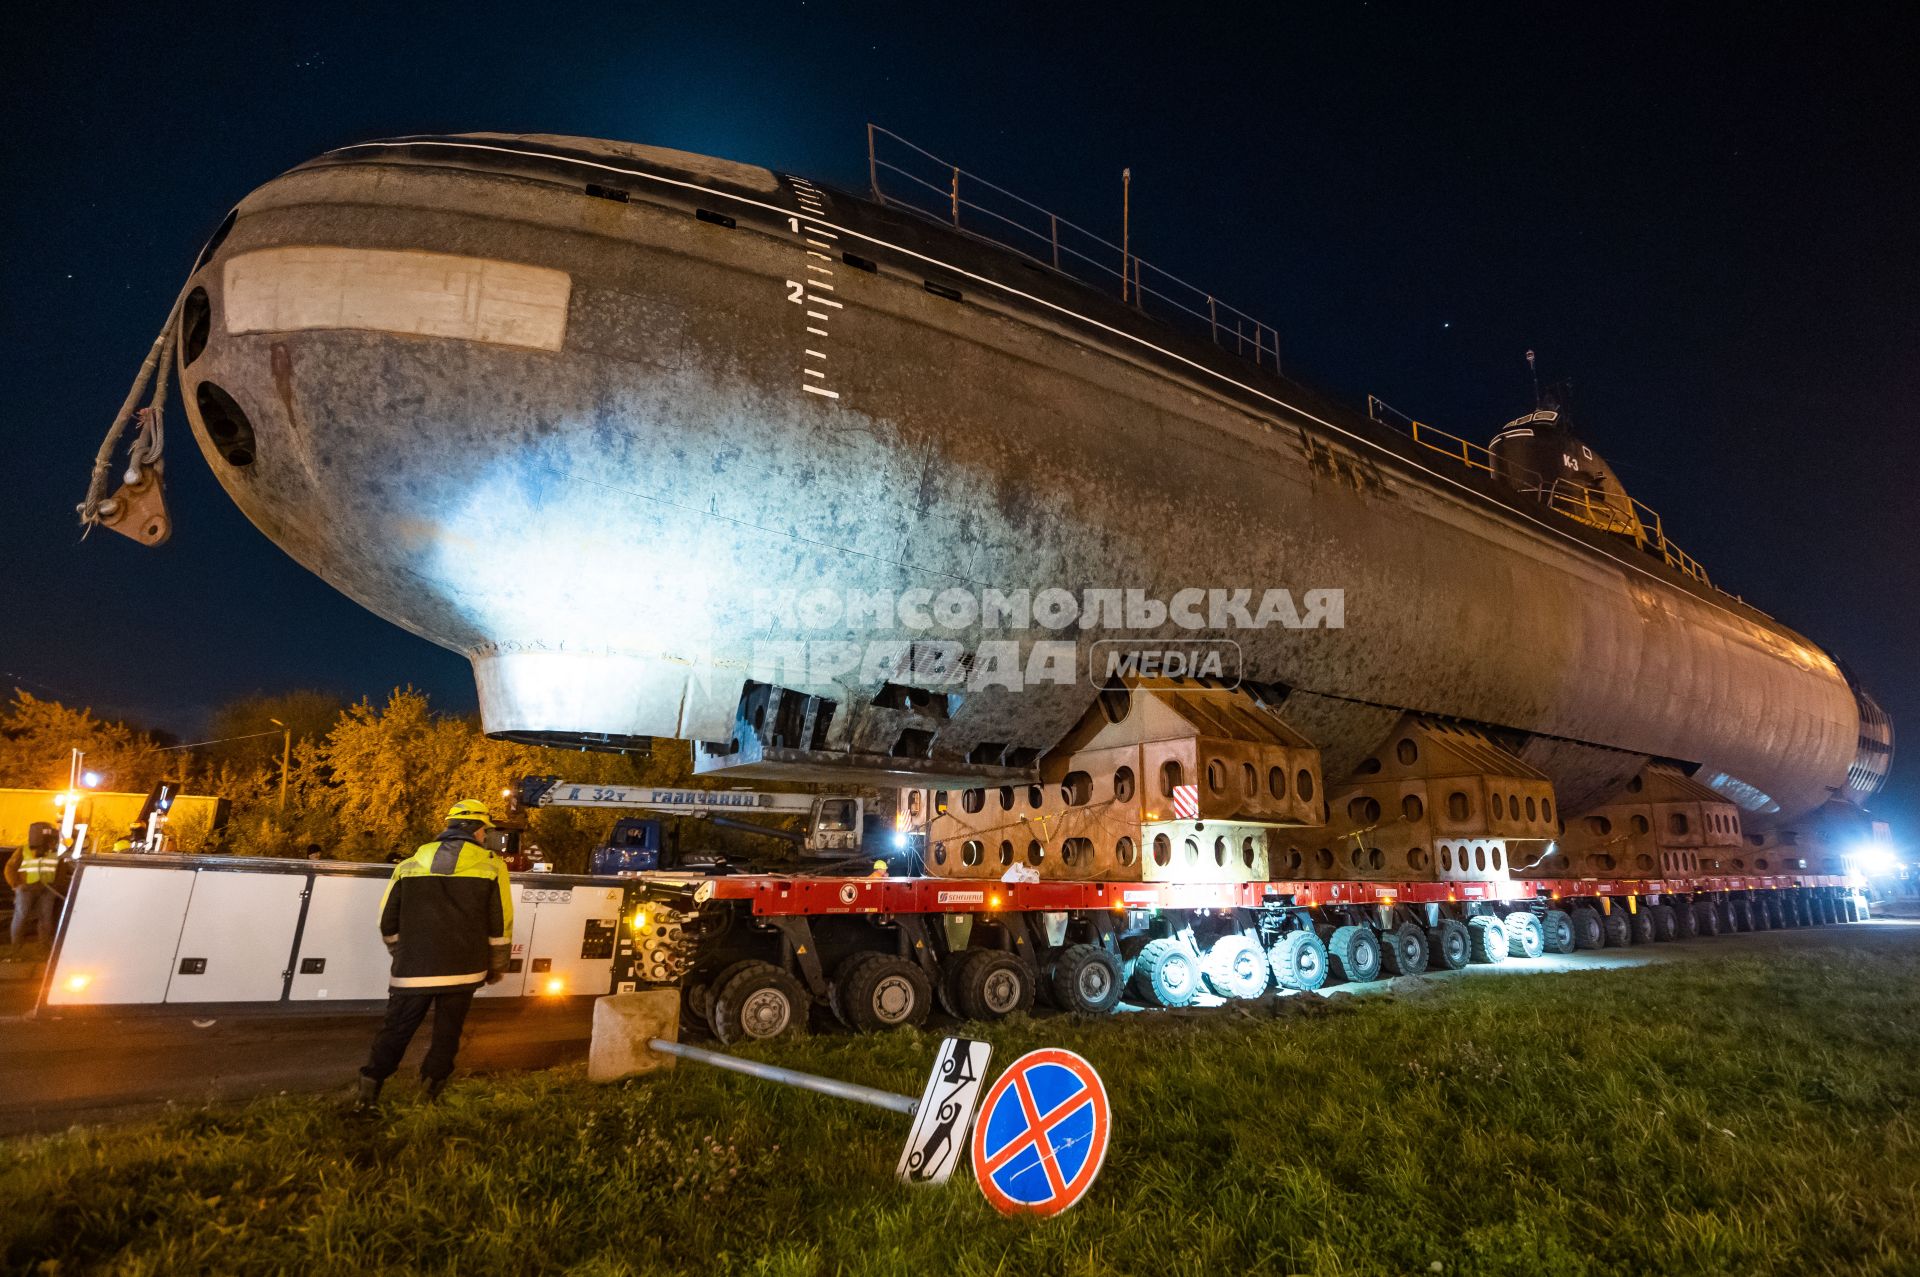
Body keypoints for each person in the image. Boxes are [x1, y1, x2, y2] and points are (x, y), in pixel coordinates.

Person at [356, 799, 513, 1104]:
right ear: (476, 830)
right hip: (464, 968)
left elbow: (386, 918)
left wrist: (401, 951)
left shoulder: (410, 862)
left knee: (396, 1029)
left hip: (412, 969)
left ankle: (369, 1090)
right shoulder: (493, 866)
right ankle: (430, 1094)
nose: (485, 836)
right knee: (447, 1033)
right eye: (484, 831)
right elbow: (501, 922)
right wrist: (496, 966)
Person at [6, 823, 63, 946]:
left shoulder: (56, 851)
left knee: (46, 918)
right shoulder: (23, 849)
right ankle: (15, 948)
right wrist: (15, 884)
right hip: (26, 888)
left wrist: (56, 887)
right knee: (21, 916)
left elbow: (61, 871)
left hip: (47, 888)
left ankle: (43, 947)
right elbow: (10, 868)